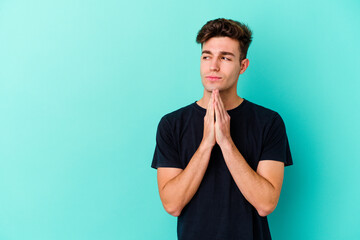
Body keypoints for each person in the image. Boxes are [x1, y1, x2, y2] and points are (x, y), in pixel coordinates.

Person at [151, 18, 293, 240]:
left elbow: (266, 204)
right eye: (207, 56)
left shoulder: (269, 122)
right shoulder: (171, 124)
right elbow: (172, 205)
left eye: (225, 58)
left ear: (243, 66)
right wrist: (207, 142)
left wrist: (226, 142)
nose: (213, 66)